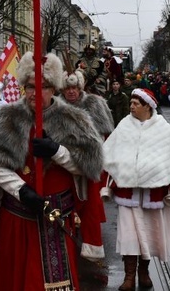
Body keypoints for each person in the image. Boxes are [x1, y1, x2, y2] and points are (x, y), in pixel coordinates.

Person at [0, 52, 103, 291]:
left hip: (56, 219)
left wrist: (57, 151)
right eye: (30, 86)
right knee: (15, 280)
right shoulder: (8, 117)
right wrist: (21, 191)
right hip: (18, 219)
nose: (35, 92)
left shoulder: (74, 119)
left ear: (54, 89)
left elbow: (88, 167)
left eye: (42, 87)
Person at [102, 88, 170, 290]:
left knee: (149, 235)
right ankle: (129, 276)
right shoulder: (124, 126)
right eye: (130, 102)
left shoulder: (163, 129)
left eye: (136, 103)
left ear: (148, 106)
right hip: (128, 194)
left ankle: (144, 272)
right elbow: (110, 157)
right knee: (129, 236)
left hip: (155, 195)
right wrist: (109, 185)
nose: (131, 106)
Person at [60, 69, 113, 260]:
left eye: (74, 88)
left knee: (89, 202)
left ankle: (91, 245)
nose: (71, 92)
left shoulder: (94, 103)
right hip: (64, 162)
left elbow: (103, 133)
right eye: (67, 88)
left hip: (89, 161)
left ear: (80, 87)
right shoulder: (56, 105)